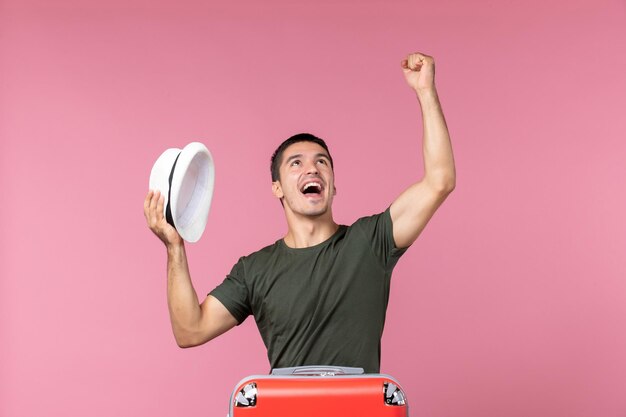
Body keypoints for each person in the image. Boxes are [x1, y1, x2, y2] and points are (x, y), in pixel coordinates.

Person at [144, 52, 456, 373]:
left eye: (322, 161)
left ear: (333, 185)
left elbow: (440, 181)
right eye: (297, 163)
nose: (313, 169)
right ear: (277, 187)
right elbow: (189, 331)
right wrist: (174, 248)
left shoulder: (371, 241)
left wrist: (425, 91)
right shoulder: (254, 270)